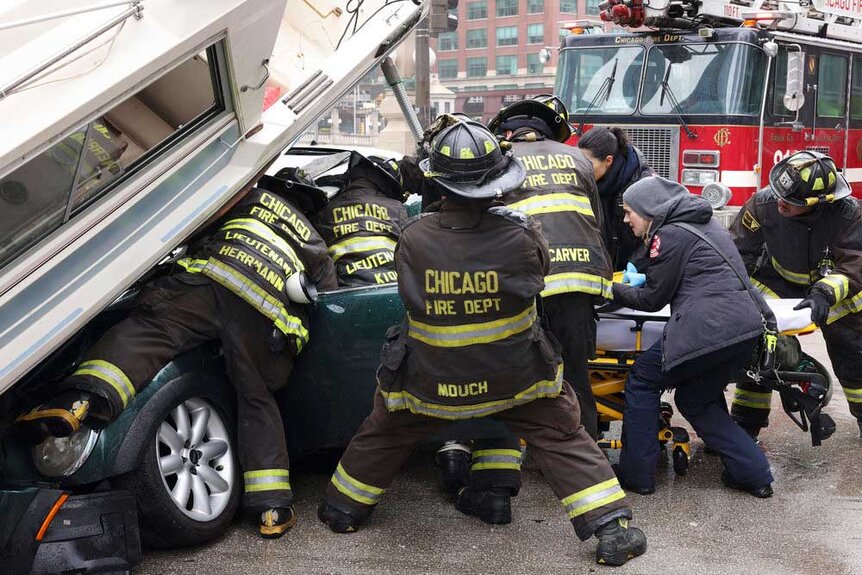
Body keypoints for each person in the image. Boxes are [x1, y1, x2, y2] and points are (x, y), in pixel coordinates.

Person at [317, 117, 646, 567]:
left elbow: (409, 293)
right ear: (498, 183)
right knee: (562, 432)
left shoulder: (413, 237)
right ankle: (612, 528)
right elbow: (537, 279)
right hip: (515, 378)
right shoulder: (522, 234)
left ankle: (342, 508)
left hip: (429, 381)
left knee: (385, 428)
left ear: (439, 183)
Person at [14, 168, 339, 539]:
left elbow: (189, 235)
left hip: (202, 284)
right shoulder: (313, 239)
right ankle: (272, 509)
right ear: (309, 204)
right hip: (262, 314)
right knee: (257, 399)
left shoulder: (242, 196)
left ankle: (79, 400)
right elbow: (329, 299)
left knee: (146, 335)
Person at [611, 176, 774, 498]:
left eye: (630, 212)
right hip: (744, 328)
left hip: (707, 327)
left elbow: (652, 300)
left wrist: (608, 288)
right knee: (695, 399)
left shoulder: (668, 234)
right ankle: (754, 473)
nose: (626, 219)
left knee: (643, 379)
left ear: (649, 210)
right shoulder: (708, 226)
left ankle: (637, 473)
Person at [488, 95, 612, 440]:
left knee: (520, 370)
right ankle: (585, 451)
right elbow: (596, 225)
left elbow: (492, 227)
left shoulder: (503, 160)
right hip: (582, 282)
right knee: (575, 373)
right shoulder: (578, 158)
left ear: (507, 133)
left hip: (533, 282)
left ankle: (519, 451)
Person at [730, 151, 862, 439]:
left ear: (818, 204)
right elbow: (736, 252)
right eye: (778, 191)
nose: (779, 200)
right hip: (779, 285)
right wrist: (746, 295)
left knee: (854, 358)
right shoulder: (763, 205)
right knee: (761, 351)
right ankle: (745, 422)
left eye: (789, 200)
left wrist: (824, 294)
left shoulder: (850, 215)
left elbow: (854, 266)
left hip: (838, 297)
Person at [314, 152, 409, 287]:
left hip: (345, 289)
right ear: (390, 185)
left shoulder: (325, 210)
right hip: (390, 287)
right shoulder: (397, 208)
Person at [577, 127, 653, 271]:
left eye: (587, 164)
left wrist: (633, 268)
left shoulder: (644, 185)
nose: (581, 170)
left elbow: (654, 238)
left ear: (608, 161)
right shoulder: (586, 183)